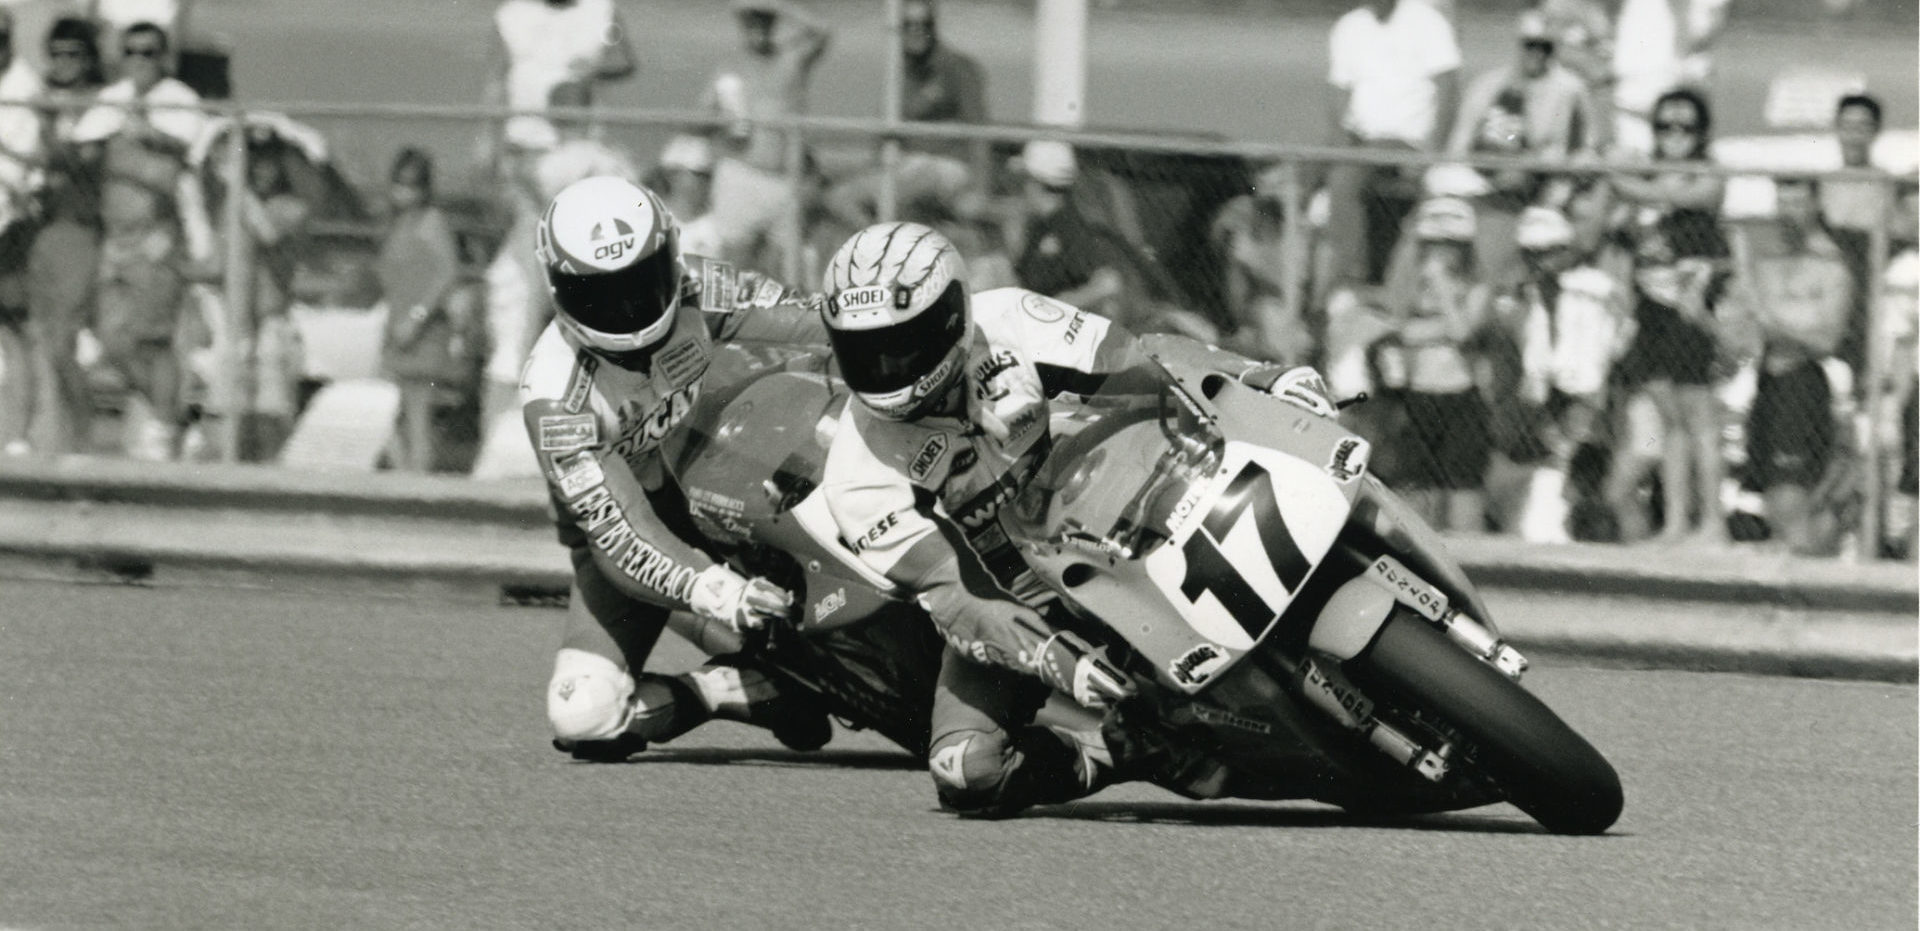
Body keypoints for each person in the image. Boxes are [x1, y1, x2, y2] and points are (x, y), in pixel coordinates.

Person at [815, 221, 1335, 816]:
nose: (887, 366)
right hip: (1012, 597)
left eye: (904, 342)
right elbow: (957, 594)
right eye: (864, 351)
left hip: (1116, 499)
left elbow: (1142, 360)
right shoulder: (855, 475)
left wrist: (1257, 378)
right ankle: (1124, 748)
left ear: (953, 315)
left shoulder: (1008, 317)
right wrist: (1050, 657)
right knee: (964, 770)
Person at [521, 175, 835, 761]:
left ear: (668, 255)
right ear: (558, 287)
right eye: (598, 296)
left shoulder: (697, 284)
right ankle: (738, 686)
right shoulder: (556, 400)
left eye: (641, 284)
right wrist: (715, 591)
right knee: (583, 716)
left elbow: (812, 318)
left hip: (722, 477)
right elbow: (620, 536)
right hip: (639, 527)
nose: (626, 311)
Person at [71, 21, 207, 460]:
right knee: (110, 338)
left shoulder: (180, 101)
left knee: (153, 339)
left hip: (157, 237)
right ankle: (171, 414)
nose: (139, 61)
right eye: (131, 52)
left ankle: (163, 428)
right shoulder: (112, 99)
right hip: (115, 238)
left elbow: (182, 156)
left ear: (163, 57)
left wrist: (144, 134)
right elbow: (84, 146)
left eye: (149, 52)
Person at [1605, 88, 1729, 544]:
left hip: (1688, 311)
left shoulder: (1706, 174)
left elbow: (1678, 195)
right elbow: (1619, 229)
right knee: (1671, 421)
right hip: (1650, 312)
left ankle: (1712, 520)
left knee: (1700, 419)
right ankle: (1677, 522)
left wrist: (1624, 177)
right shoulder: (1643, 176)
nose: (1674, 136)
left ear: (1701, 134)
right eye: (1664, 127)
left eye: (1685, 127)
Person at [1732, 176, 1853, 555]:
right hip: (1766, 380)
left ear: (1816, 205)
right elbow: (1747, 332)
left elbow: (1828, 340)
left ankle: (1820, 576)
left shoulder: (1831, 266)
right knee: (1769, 498)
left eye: (1798, 202)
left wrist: (1774, 325)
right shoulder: (1768, 260)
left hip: (1802, 385)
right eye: (1782, 203)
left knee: (1790, 498)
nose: (1789, 212)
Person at [1444, 10, 1601, 288]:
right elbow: (1458, 146)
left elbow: (1587, 148)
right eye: (1530, 45)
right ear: (1519, 45)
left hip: (1546, 186)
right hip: (1487, 181)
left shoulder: (1570, 90)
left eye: (1545, 46)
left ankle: (1498, 289)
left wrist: (1552, 169)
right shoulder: (1491, 85)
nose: (1537, 53)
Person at [1319, 0, 1461, 302]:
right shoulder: (1350, 27)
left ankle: (1358, 283)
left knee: (1347, 181)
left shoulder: (1428, 22)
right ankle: (1316, 287)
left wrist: (1432, 153)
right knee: (1299, 179)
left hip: (1408, 142)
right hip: (1362, 142)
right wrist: (1342, 145)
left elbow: (1448, 90)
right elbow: (1337, 96)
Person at [1511, 206, 1633, 542]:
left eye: (1549, 252)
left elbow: (1617, 335)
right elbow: (1534, 342)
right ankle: (1551, 524)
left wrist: (1598, 386)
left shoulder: (1595, 286)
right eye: (1532, 254)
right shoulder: (1531, 291)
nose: (1541, 261)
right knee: (1557, 455)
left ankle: (1587, 528)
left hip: (1588, 387)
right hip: (1550, 388)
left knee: (1586, 460)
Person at [1376, 197, 1493, 531]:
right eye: (1433, 245)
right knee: (1415, 484)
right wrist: (1428, 328)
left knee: (1463, 485)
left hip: (1461, 397)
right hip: (1418, 397)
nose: (1441, 253)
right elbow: (1396, 330)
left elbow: (1462, 331)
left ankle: (1471, 562)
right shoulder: (1411, 287)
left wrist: (1442, 290)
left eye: (1450, 246)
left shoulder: (1477, 288)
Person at [826, 0, 988, 228]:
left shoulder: (956, 67)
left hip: (945, 164)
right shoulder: (899, 71)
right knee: (840, 197)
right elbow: (884, 130)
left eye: (923, 24)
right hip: (906, 165)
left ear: (933, 26)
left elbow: (979, 129)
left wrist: (981, 188)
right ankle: (881, 246)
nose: (916, 31)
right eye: (908, 24)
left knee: (895, 192)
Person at [378, 149, 480, 473]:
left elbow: (447, 273)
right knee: (392, 416)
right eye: (399, 183)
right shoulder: (398, 224)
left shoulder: (430, 222)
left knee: (418, 413)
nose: (404, 192)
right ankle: (403, 475)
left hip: (422, 334)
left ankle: (418, 482)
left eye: (412, 185)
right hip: (396, 328)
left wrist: (417, 317)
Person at [489, 0, 636, 155]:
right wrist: (486, 141)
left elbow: (623, 60)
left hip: (577, 135)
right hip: (523, 132)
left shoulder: (600, 10)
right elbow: (495, 79)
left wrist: (593, 69)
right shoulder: (511, 14)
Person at [705, 0, 831, 176]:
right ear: (743, 27)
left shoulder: (790, 60)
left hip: (785, 170)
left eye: (765, 23)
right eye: (751, 24)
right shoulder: (730, 68)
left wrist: (778, 6)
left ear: (773, 24)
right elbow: (705, 113)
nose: (758, 31)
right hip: (740, 167)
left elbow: (823, 31)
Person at [0, 7, 45, 455]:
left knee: (16, 330)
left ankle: (18, 435)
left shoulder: (24, 88)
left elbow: (29, 166)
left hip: (10, 225)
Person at [1609, 0, 1728, 155]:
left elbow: (1709, 22)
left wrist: (1681, 61)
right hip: (1646, 79)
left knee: (1678, 155)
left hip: (1668, 77)